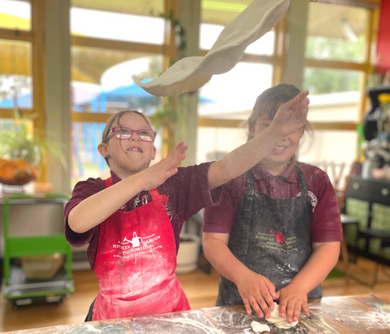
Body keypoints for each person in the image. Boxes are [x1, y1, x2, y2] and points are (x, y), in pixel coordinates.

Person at [65, 91, 309, 322]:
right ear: (103, 150)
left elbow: (226, 168)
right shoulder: (92, 190)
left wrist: (274, 132)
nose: (135, 137)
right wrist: (142, 180)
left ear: (153, 152)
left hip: (169, 313)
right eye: (123, 132)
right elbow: (77, 222)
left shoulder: (174, 185)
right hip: (113, 318)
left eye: (144, 133)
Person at [202, 83, 342, 323]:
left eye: (292, 127)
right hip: (239, 304)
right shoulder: (230, 179)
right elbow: (213, 242)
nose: (281, 135)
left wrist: (300, 287)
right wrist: (243, 277)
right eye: (270, 126)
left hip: (299, 306)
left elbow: (328, 247)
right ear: (252, 130)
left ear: (302, 131)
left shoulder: (317, 181)